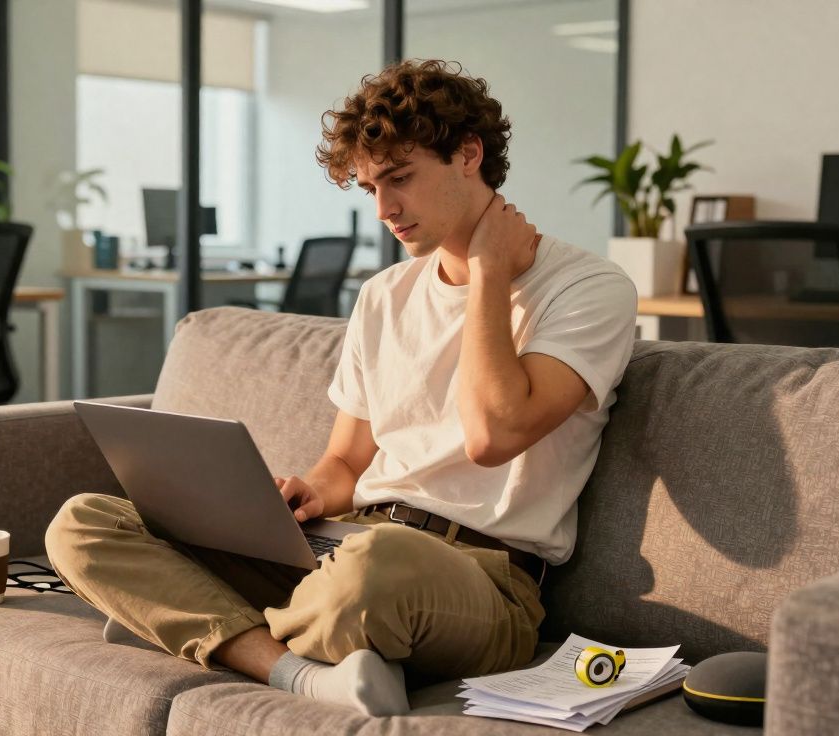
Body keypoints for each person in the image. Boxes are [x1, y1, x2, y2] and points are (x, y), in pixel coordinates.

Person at [46, 59, 638, 718]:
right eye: (370, 189)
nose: (384, 210)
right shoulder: (383, 296)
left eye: (400, 179)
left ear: (469, 154)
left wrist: (490, 271)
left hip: (478, 579)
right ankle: (291, 669)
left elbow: (493, 434)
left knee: (375, 567)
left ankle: (182, 618)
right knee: (83, 525)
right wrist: (308, 492)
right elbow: (347, 462)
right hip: (343, 546)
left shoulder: (589, 289)